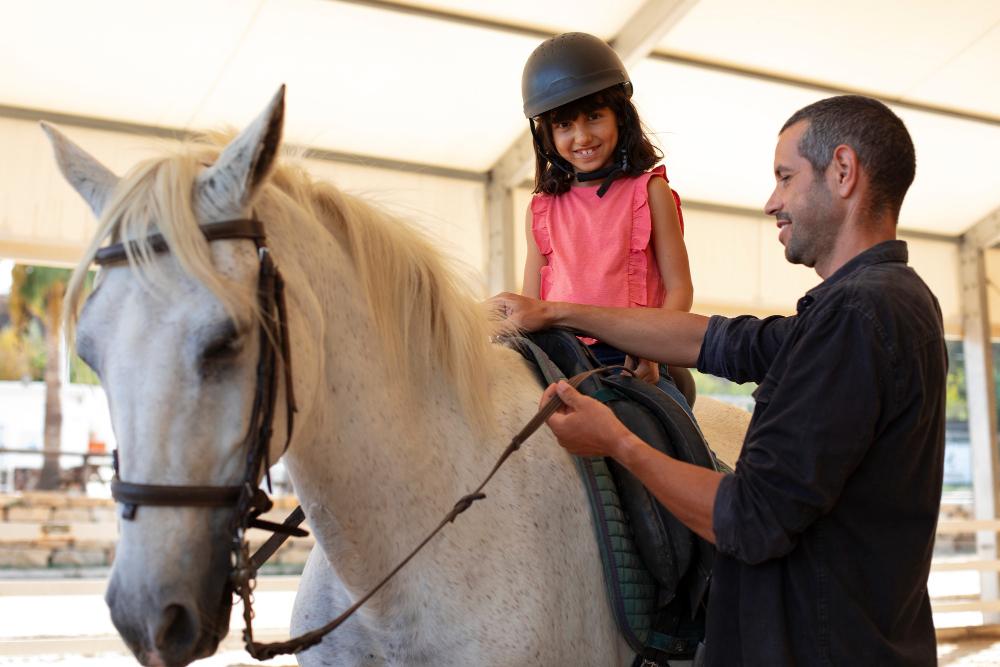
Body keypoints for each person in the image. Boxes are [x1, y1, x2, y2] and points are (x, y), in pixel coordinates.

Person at [493, 95, 945, 666]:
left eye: (785, 177)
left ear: (844, 171)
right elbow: (722, 341)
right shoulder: (878, 304)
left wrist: (617, 442)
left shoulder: (858, 317)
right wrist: (559, 314)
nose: (771, 202)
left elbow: (751, 518)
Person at [519, 32, 695, 402]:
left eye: (594, 116)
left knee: (668, 432)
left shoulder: (650, 192)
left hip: (632, 356)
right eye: (564, 125)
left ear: (621, 116)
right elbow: (531, 303)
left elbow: (680, 289)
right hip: (559, 359)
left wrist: (652, 348)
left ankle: (704, 461)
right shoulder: (541, 208)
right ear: (547, 136)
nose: (582, 136)